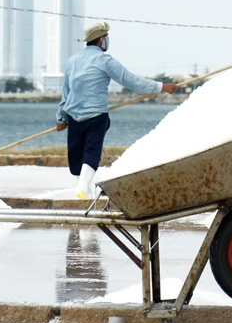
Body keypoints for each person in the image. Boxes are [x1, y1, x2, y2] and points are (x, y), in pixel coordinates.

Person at [56, 22, 176, 199]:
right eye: (106, 38)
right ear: (101, 40)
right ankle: (83, 187)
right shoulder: (105, 61)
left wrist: (61, 118)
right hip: (96, 115)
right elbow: (131, 81)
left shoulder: (72, 61)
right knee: (92, 151)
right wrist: (162, 87)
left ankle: (82, 190)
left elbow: (66, 92)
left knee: (76, 153)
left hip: (73, 116)